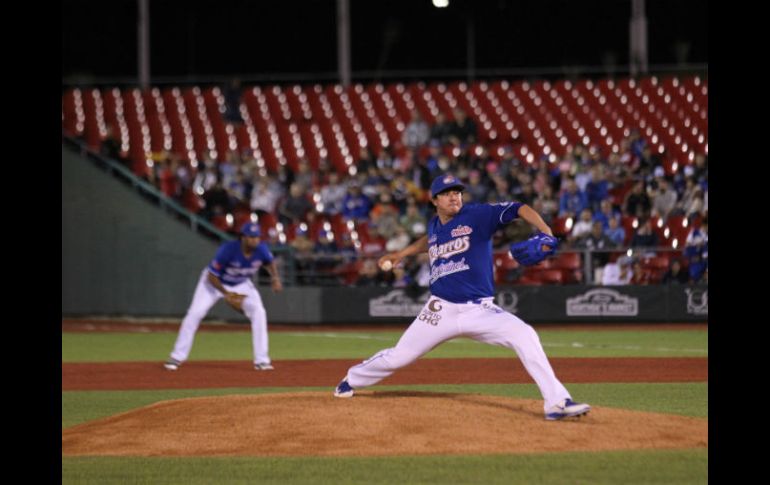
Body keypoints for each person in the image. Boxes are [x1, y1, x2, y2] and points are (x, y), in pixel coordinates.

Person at [333, 174, 591, 421]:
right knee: (400, 356)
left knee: (525, 335)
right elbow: (430, 240)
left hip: (480, 311)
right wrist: (402, 254)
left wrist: (546, 231)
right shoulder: (435, 224)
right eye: (446, 194)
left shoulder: (478, 215)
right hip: (440, 310)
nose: (454, 197)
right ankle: (351, 379)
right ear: (434, 201)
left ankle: (557, 402)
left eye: (457, 192)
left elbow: (518, 208)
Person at [164, 222, 283, 371]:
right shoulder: (228, 250)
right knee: (195, 313)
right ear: (243, 237)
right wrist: (226, 294)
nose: (255, 240)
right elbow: (212, 275)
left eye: (257, 237)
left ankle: (262, 360)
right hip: (213, 284)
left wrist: (275, 278)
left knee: (259, 312)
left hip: (241, 283)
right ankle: (177, 356)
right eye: (251, 237)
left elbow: (270, 262)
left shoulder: (261, 250)